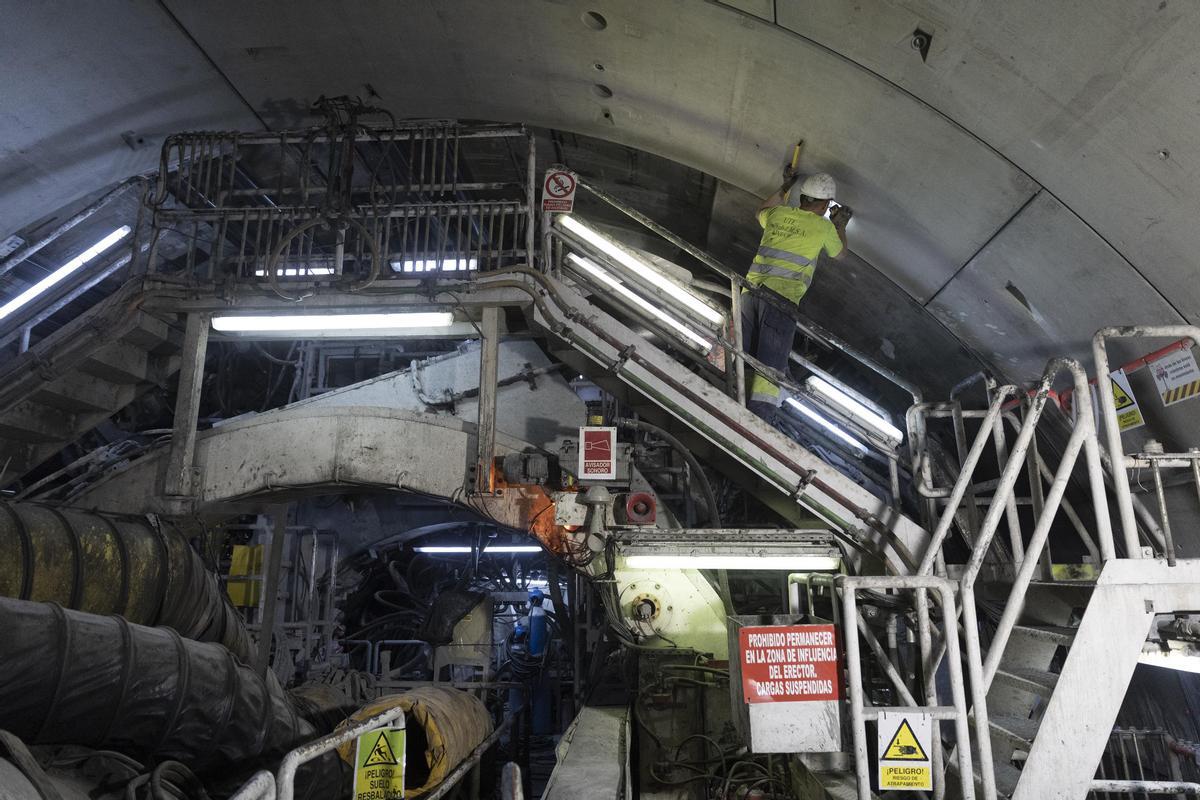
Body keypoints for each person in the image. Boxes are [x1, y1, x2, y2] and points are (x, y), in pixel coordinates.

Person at [742, 170, 851, 423]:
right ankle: (758, 419)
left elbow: (761, 210)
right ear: (825, 204)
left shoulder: (778, 214)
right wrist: (839, 225)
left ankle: (727, 392)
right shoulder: (823, 227)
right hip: (781, 301)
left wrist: (784, 185)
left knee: (742, 350)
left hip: (749, 292)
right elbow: (840, 254)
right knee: (770, 364)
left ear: (801, 197)